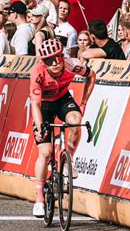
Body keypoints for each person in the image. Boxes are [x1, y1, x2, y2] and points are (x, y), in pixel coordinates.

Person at [30, 39, 96, 218]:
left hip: (62, 99)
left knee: (76, 120)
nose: (54, 64)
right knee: (45, 152)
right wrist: (40, 127)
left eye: (57, 58)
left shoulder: (72, 65)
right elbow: (35, 105)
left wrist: (83, 103)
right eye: (49, 61)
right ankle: (39, 199)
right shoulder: (37, 72)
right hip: (43, 106)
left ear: (62, 55)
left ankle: (69, 161)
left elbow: (92, 75)